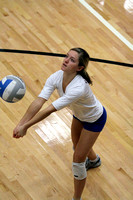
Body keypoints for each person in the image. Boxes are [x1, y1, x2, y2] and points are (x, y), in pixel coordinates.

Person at [13, 47, 107, 200]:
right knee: (78, 148)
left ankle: (77, 198)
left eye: (72, 60)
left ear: (79, 68)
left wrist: (26, 127)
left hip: (95, 119)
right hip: (79, 116)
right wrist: (20, 124)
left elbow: (49, 109)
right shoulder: (57, 76)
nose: (65, 60)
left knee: (77, 161)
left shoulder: (79, 87)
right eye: (66, 56)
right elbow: (39, 101)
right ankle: (94, 160)